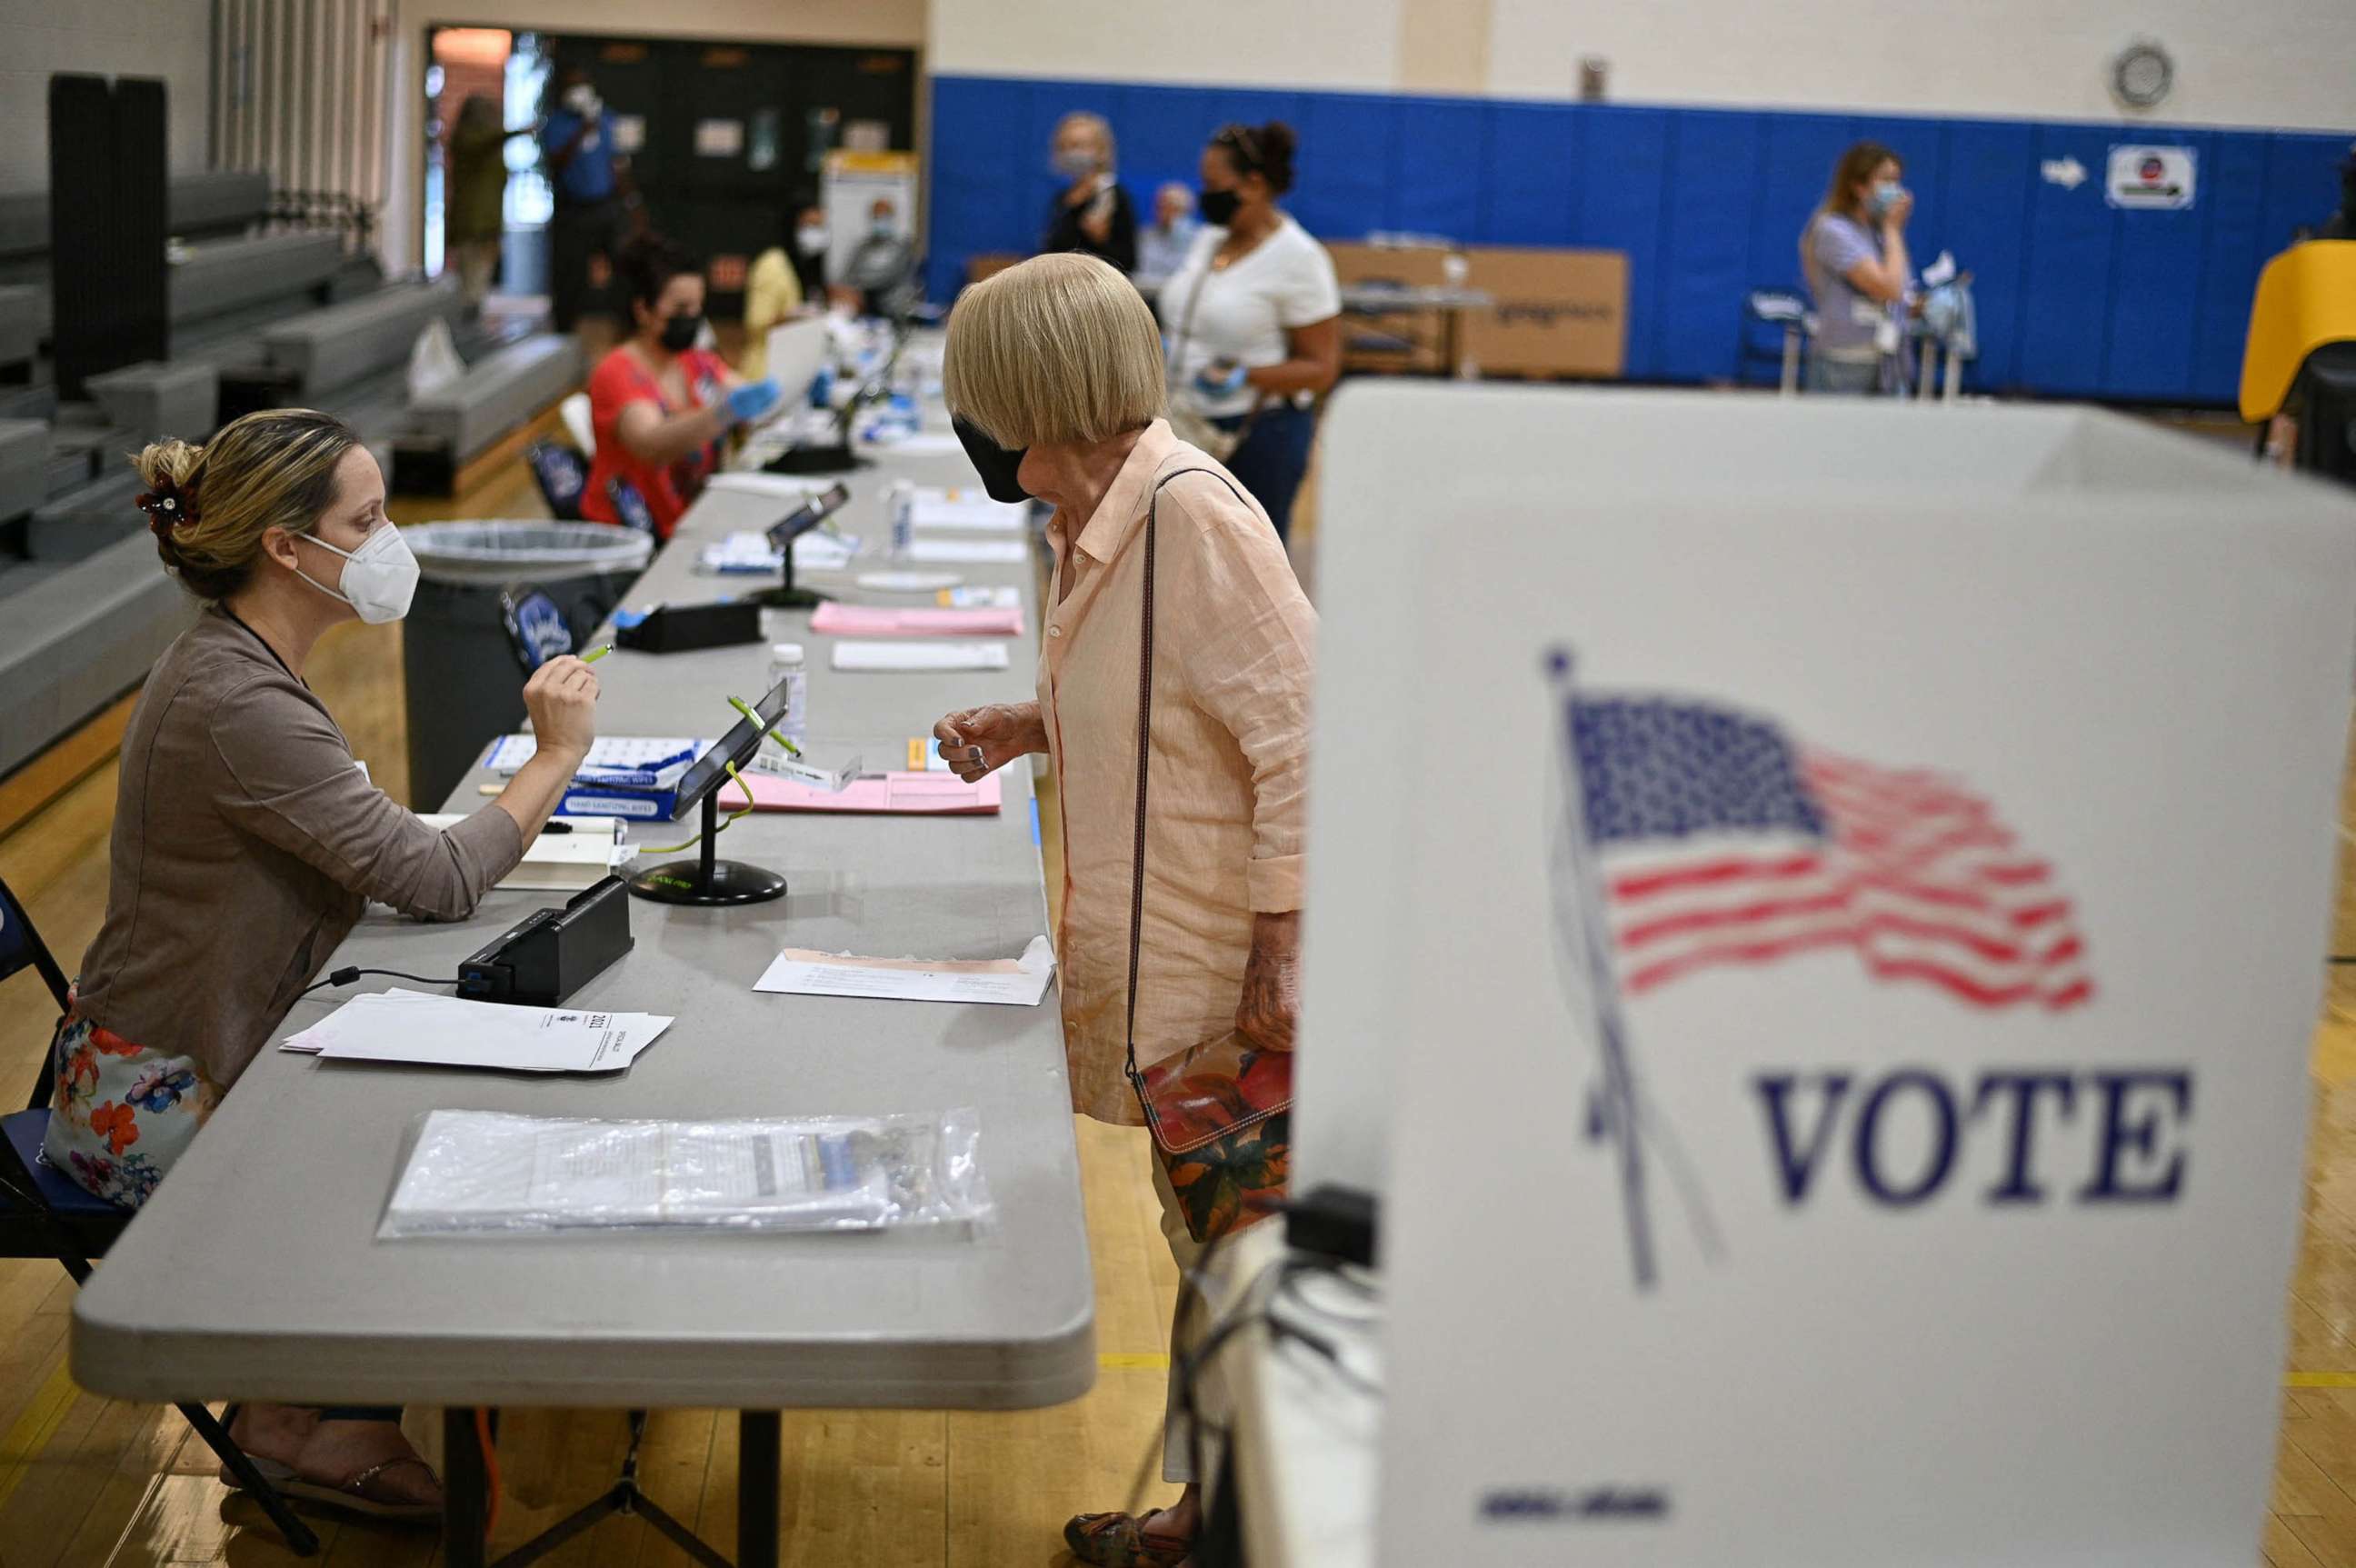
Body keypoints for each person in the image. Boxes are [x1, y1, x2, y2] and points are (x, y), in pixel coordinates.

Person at [47, 407, 601, 1520]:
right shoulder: (235, 698)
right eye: (370, 519)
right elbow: (436, 879)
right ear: (288, 551)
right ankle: (299, 1418)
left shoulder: (241, 666)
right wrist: (554, 759)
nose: (391, 538)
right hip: (155, 1094)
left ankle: (318, 1402)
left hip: (195, 1046)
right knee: (435, 1136)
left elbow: (375, 846)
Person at [928, 254, 1313, 1568]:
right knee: (1207, 1255)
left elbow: (1306, 736)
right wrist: (1037, 725)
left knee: (1241, 1278)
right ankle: (1216, 1525)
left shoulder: (1193, 516)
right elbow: (1172, 706)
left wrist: (1283, 942)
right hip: (1165, 979)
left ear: (1032, 395)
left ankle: (1230, 1535)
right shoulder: (1098, 523)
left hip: (1226, 981)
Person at [1158, 122, 1341, 544]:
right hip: (1186, 419)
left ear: (1254, 184)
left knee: (1250, 563)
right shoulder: (1208, 240)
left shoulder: (1301, 259)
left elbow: (1321, 368)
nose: (1205, 197)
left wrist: (1245, 374)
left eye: (1213, 185)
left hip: (1259, 433)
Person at [581, 234, 781, 539]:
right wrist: (723, 413)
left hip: (689, 522)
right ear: (644, 310)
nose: (692, 317)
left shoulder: (695, 361)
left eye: (698, 307)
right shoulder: (617, 372)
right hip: (634, 536)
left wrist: (790, 388)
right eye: (681, 308)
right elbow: (651, 443)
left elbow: (750, 396)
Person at [1801, 141, 1912, 394]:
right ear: (1858, 186)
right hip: (1844, 361)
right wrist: (1894, 230)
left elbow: (1900, 289)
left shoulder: (1878, 233)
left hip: (1887, 359)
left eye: (1897, 181)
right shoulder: (1833, 230)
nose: (1895, 191)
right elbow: (1887, 288)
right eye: (1885, 180)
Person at [538, 65, 628, 332]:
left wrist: (631, 205)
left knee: (622, 269)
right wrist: (581, 132)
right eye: (571, 86)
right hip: (573, 211)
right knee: (571, 275)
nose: (578, 91)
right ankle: (563, 332)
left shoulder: (608, 119)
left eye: (582, 84)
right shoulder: (556, 123)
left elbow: (618, 163)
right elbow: (556, 162)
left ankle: (625, 328)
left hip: (606, 207)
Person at [1041, 112, 1136, 274]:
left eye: (1078, 145)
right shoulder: (1062, 198)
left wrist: (1101, 240)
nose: (1071, 153)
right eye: (1064, 146)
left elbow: (1128, 261)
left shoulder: (1112, 196)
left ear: (1101, 150)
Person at [444, 94, 509, 311]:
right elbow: (485, 143)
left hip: (488, 224)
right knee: (470, 285)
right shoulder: (466, 141)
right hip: (471, 225)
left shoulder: (489, 151)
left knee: (479, 284)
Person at [1135, 182, 1199, 288]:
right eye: (1159, 206)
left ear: (1184, 210)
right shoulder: (1145, 235)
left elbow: (1186, 278)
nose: (1160, 212)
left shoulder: (1198, 239)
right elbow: (1140, 270)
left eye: (1169, 207)